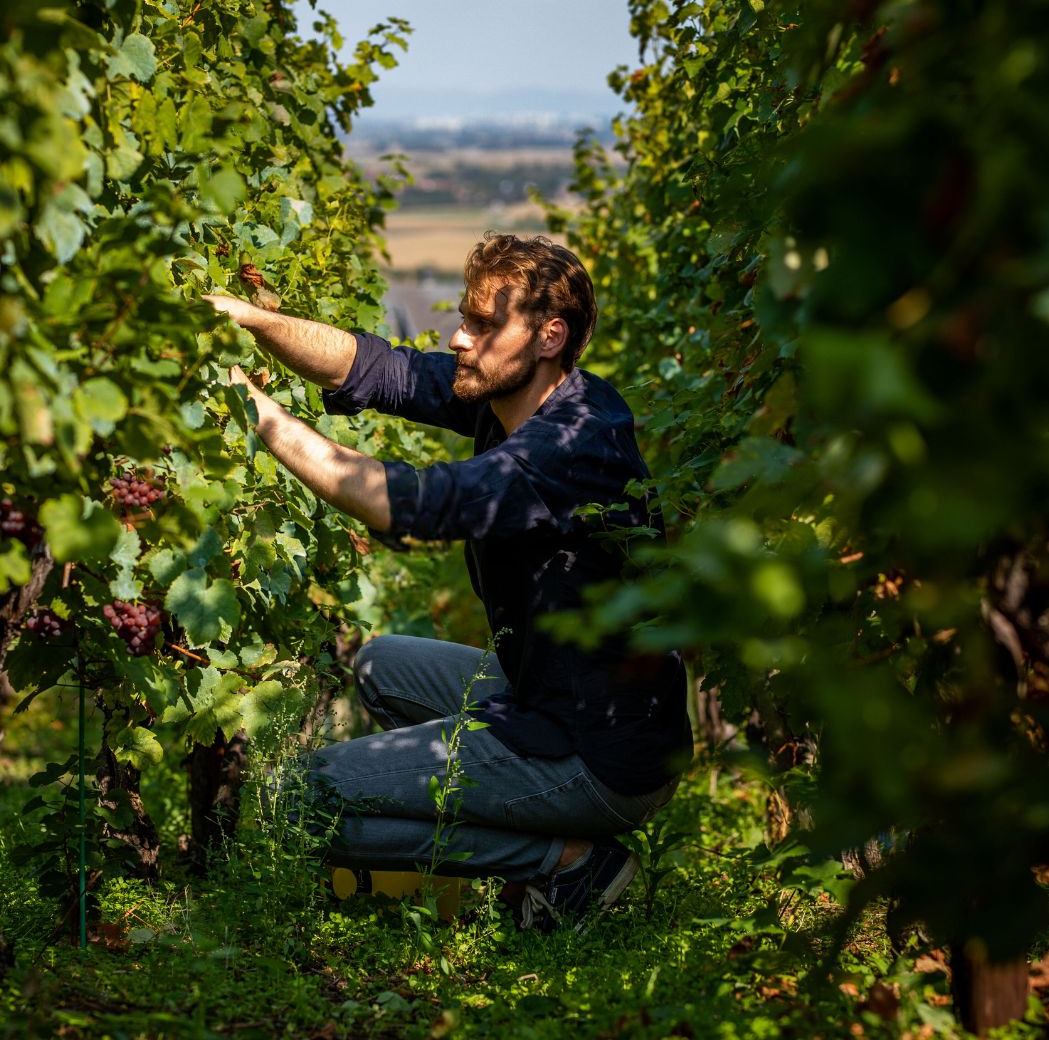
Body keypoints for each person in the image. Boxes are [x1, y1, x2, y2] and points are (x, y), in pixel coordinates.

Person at [203, 233, 690, 932]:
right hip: (554, 696)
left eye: (485, 325)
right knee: (379, 666)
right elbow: (380, 370)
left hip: (603, 755)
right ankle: (522, 832)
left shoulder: (571, 445)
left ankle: (567, 863)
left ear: (549, 336)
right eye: (466, 318)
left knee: (297, 799)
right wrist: (253, 320)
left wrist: (260, 416)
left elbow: (418, 502)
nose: (461, 339)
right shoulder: (521, 393)